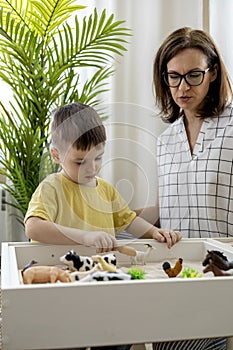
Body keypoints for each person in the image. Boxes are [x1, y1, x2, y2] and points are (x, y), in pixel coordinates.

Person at [137, 27, 233, 350]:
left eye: (193, 75)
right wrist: (115, 217)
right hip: (179, 276)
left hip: (224, 277)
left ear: (213, 72)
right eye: (173, 77)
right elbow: (168, 210)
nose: (183, 87)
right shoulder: (166, 141)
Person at [24, 102, 181, 251]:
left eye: (98, 158)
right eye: (80, 162)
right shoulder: (52, 187)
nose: (92, 168)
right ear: (56, 155)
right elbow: (33, 227)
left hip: (99, 272)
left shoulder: (106, 190)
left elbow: (129, 221)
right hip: (60, 272)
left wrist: (155, 232)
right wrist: (85, 237)